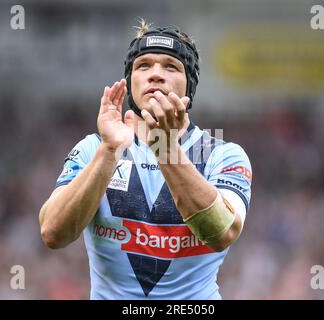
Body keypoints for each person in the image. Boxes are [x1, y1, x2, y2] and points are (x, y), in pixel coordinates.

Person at [39, 19, 252, 300]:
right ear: (129, 82)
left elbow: (222, 233)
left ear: (189, 86)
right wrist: (110, 151)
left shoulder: (222, 154)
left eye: (171, 66)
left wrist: (165, 147)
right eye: (143, 65)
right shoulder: (95, 148)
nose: (155, 75)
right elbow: (53, 233)